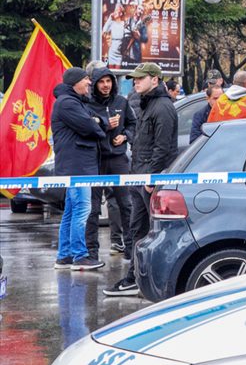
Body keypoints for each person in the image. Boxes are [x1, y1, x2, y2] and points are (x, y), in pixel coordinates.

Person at [106, 62, 177, 296]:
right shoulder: (148, 104)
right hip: (139, 175)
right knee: (138, 228)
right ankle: (134, 276)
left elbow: (164, 147)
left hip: (149, 178)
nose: (135, 81)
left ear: (154, 79)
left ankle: (154, 278)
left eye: (139, 78)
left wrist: (153, 177)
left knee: (153, 231)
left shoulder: (163, 107)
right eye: (134, 79)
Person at [50, 68, 108, 271]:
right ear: (75, 82)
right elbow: (91, 127)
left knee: (71, 211)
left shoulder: (75, 102)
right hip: (77, 166)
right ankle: (80, 256)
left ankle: (64, 256)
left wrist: (98, 122)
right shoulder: (67, 103)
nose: (89, 84)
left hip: (76, 165)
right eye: (86, 80)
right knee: (82, 209)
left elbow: (99, 120)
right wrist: (97, 124)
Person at [85, 66, 137, 258]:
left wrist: (125, 136)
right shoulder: (88, 104)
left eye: (109, 81)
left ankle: (130, 249)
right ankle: (92, 253)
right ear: (95, 84)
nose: (105, 85)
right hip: (96, 160)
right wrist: (106, 125)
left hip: (118, 159)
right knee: (93, 207)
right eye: (101, 82)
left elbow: (133, 124)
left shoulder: (121, 102)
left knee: (126, 204)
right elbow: (86, 128)